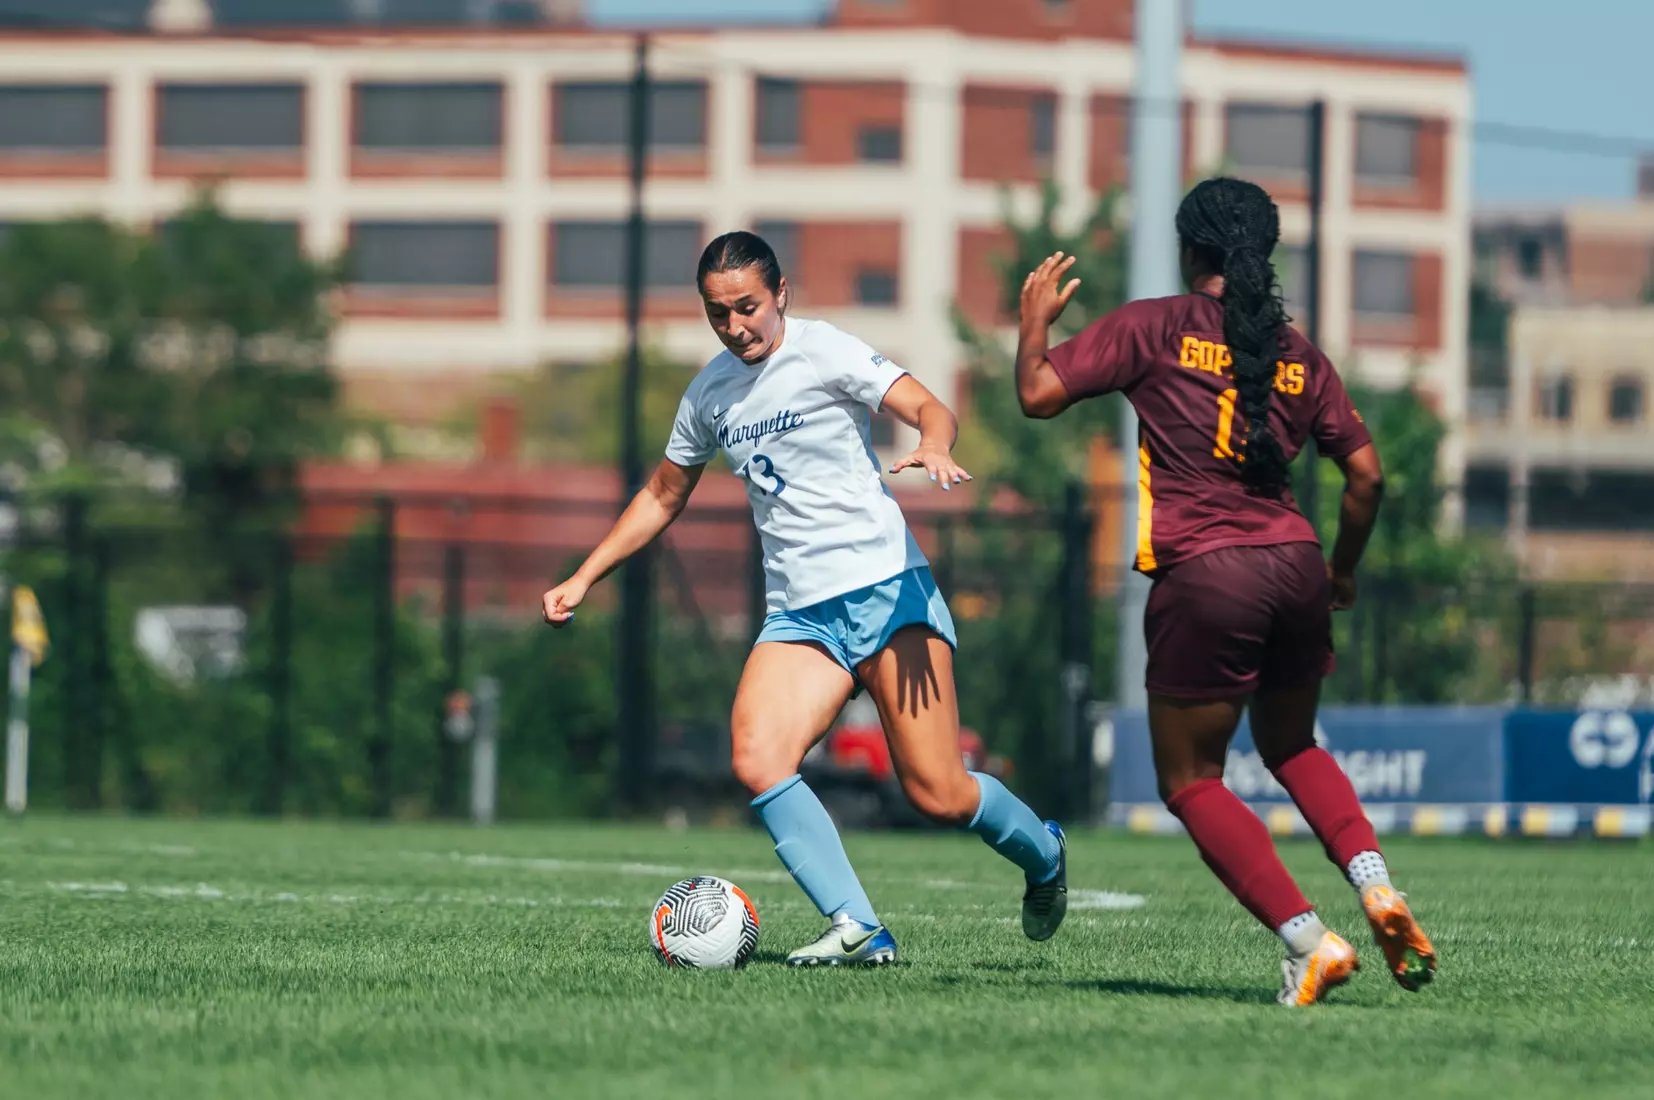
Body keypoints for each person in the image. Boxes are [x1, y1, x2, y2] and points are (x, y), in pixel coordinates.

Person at [543, 230, 1067, 966]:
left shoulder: (825, 350)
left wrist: (937, 443)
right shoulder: (709, 395)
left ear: (780, 293)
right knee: (759, 757)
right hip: (800, 616)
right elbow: (664, 493)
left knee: (939, 793)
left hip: (887, 593)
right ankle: (858, 927)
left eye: (748, 307)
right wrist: (584, 575)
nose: (736, 327)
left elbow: (927, 405)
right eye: (718, 314)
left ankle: (1043, 855)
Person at [1013, 177, 1437, 1006]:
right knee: (1295, 748)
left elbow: (1036, 397)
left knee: (1192, 781)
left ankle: (1308, 939)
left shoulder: (1154, 326)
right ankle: (1377, 883)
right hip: (1296, 565)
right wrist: (1342, 569)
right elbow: (1366, 476)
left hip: (1208, 575)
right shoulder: (1299, 352)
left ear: (1190, 249)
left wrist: (1033, 324)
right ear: (1265, 253)